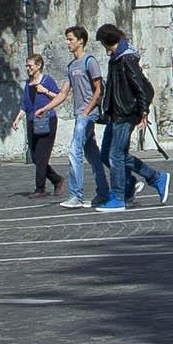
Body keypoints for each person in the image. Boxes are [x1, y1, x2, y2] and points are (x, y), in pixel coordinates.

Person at [93, 23, 170, 210]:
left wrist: (143, 111)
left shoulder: (126, 59)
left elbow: (139, 86)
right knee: (107, 155)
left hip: (125, 113)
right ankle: (150, 179)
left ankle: (119, 196)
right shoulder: (117, 58)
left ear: (107, 42)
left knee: (116, 155)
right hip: (115, 113)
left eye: (103, 44)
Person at [60, 26, 106, 209]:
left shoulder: (90, 61)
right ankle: (103, 192)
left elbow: (98, 89)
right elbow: (63, 93)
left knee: (74, 151)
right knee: (93, 155)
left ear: (81, 41)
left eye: (70, 39)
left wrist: (86, 112)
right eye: (67, 39)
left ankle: (76, 195)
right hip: (80, 114)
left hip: (87, 115)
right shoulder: (71, 66)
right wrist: (46, 108)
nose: (68, 43)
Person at [22, 47, 66, 199]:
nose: (28, 68)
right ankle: (57, 179)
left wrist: (44, 91)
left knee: (42, 156)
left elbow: (59, 96)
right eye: (27, 66)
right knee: (35, 157)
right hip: (32, 122)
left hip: (47, 121)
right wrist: (17, 118)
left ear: (39, 65)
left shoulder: (47, 81)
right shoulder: (27, 84)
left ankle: (40, 188)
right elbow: (25, 104)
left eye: (30, 65)